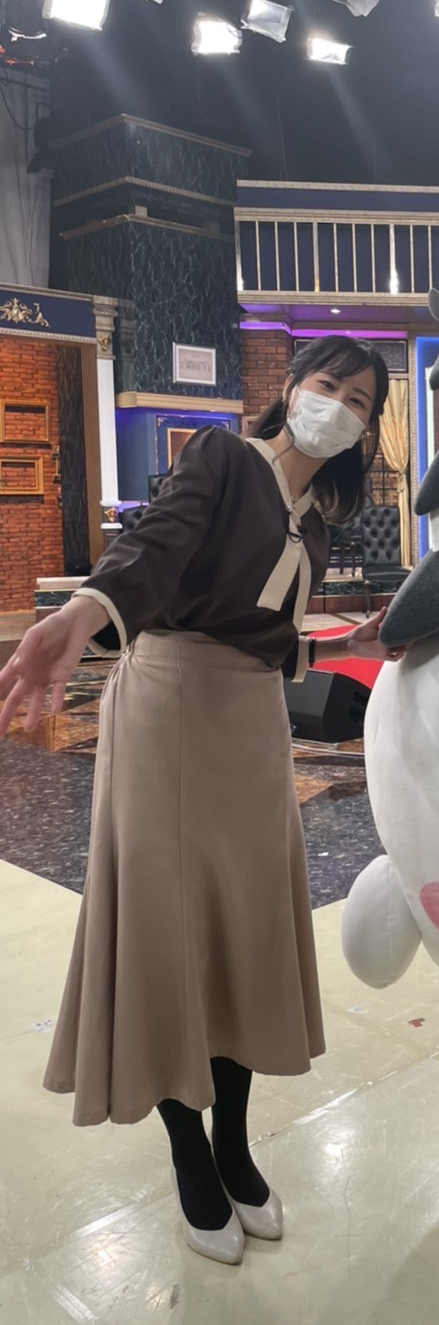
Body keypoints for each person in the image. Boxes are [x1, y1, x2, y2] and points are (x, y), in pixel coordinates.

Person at [0, 336, 404, 1265]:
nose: (339, 405)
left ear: (364, 429)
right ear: (291, 389)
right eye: (328, 384)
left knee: (241, 933)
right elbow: (156, 547)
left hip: (252, 723)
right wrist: (84, 611)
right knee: (174, 931)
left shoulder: (315, 525)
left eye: (358, 399)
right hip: (172, 708)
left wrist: (349, 645)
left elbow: (265, 639)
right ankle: (191, 1155)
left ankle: (233, 1144)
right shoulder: (224, 458)